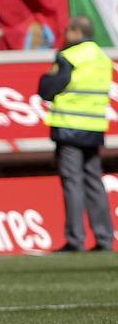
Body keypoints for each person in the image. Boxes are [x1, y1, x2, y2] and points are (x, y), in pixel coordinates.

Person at [38, 16, 116, 253]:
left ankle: (76, 238)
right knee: (94, 181)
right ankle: (104, 238)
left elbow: (48, 90)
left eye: (67, 31)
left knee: (73, 182)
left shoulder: (69, 56)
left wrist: (46, 78)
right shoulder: (102, 58)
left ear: (75, 32)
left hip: (69, 126)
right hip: (94, 127)